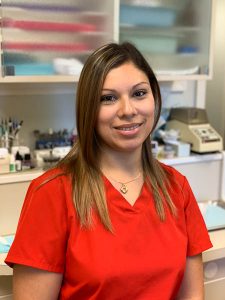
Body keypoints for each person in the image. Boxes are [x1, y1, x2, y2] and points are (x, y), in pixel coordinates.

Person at [5, 42, 212, 300]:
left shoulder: (176, 188)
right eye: (108, 98)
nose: (128, 110)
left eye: (139, 93)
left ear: (155, 98)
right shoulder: (52, 193)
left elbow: (192, 296)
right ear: (89, 109)